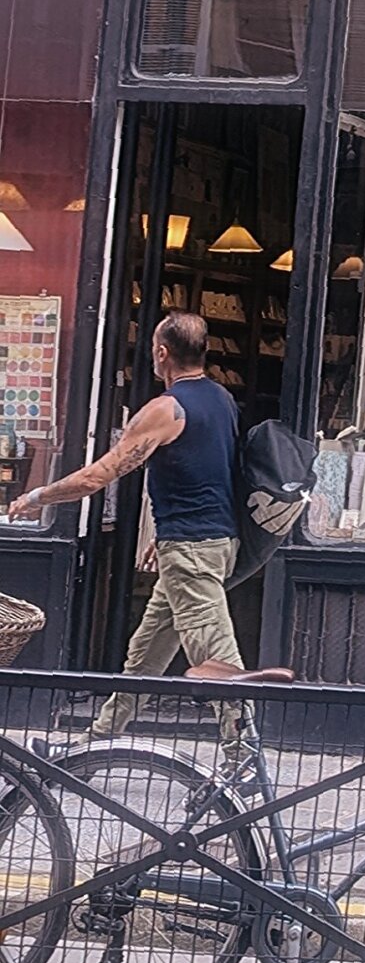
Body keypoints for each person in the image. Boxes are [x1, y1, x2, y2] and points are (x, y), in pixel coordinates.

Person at [8, 313, 247, 740]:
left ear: (161, 353)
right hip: (209, 542)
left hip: (191, 551)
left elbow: (96, 477)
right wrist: (163, 532)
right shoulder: (222, 399)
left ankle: (244, 758)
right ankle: (97, 741)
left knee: (216, 657)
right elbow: (210, 473)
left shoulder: (164, 409)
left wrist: (37, 496)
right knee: (145, 656)